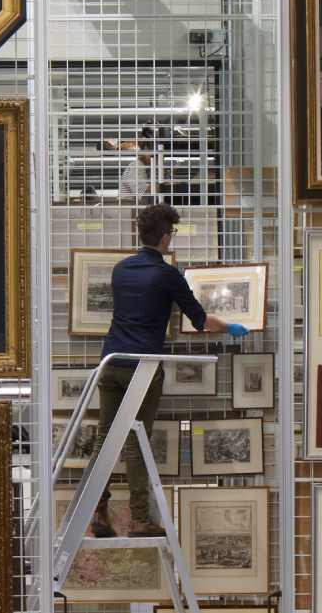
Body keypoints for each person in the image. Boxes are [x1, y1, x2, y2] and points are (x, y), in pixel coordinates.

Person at [88, 203, 238, 538]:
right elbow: (201, 320)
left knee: (104, 439)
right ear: (166, 238)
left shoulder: (120, 270)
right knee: (136, 441)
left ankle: (98, 511)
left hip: (110, 363)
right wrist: (232, 327)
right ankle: (140, 519)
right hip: (141, 368)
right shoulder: (167, 274)